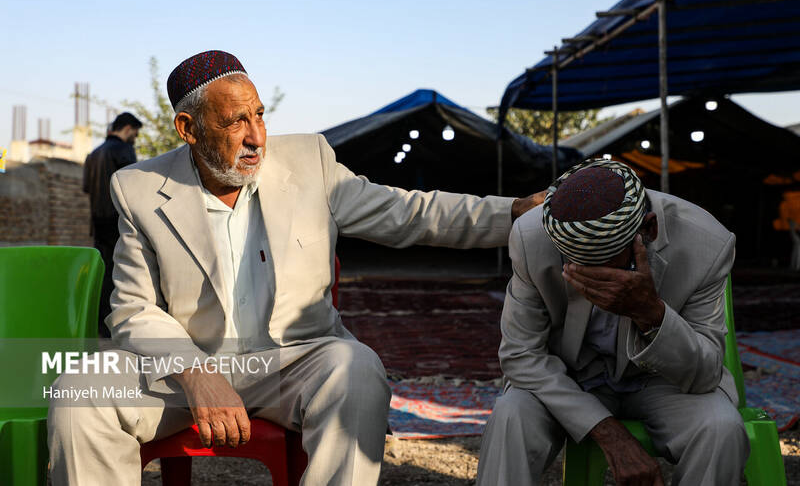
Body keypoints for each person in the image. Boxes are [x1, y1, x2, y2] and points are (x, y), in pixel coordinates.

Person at [48, 50, 544, 486]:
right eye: (235, 122)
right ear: (188, 129)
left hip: (291, 364)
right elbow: (133, 309)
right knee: (80, 389)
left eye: (259, 115)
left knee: (356, 369)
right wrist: (195, 372)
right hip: (187, 371)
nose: (256, 137)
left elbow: (409, 213)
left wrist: (513, 212)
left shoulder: (310, 162)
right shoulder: (138, 187)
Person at [477, 158, 749, 486]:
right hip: (569, 377)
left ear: (648, 230)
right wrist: (610, 434)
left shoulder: (706, 243)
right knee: (511, 415)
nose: (591, 278)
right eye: (577, 265)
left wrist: (651, 313)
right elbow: (521, 357)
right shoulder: (532, 235)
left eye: (603, 264)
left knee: (721, 428)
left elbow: (705, 374)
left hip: (662, 380)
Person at [82, 112, 141, 337]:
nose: (135, 138)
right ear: (127, 129)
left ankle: (98, 323)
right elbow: (133, 186)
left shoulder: (93, 154)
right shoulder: (123, 149)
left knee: (102, 271)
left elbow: (86, 188)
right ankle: (114, 324)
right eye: (135, 133)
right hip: (118, 221)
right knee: (122, 273)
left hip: (97, 221)